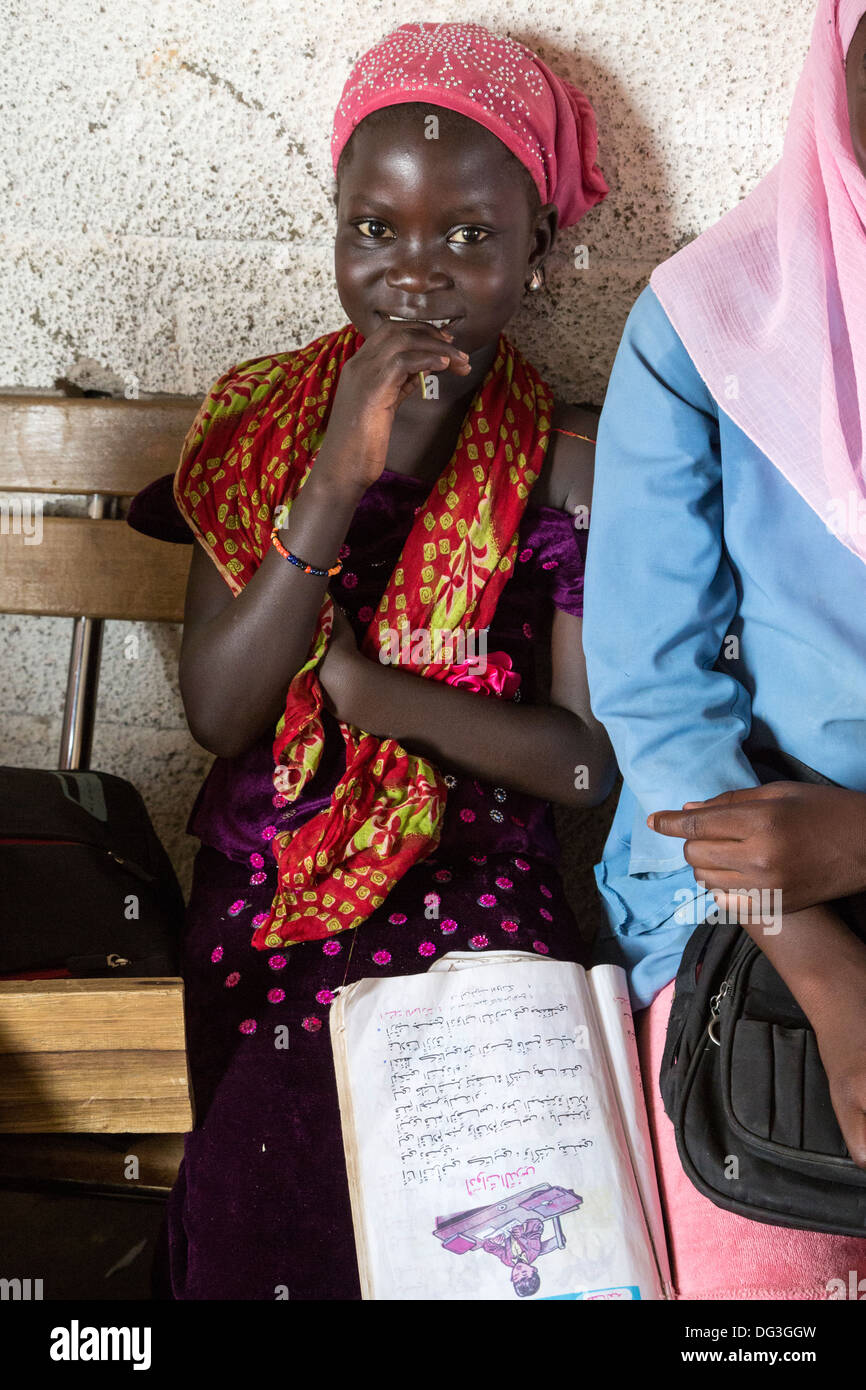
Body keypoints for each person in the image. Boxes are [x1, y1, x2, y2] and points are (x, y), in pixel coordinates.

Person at [129, 21, 613, 1300]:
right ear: (335, 231)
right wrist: (335, 476)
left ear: (536, 254)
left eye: (469, 234)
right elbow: (222, 714)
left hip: (480, 891)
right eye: (376, 228)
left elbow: (579, 769)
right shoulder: (257, 428)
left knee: (478, 1202)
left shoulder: (560, 460)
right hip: (273, 885)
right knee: (273, 1172)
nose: (417, 272)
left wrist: (363, 693)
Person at [583, 0, 866, 1298]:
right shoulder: (698, 336)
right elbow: (655, 701)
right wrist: (824, 969)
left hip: (821, 850)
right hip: (734, 901)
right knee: (762, 1266)